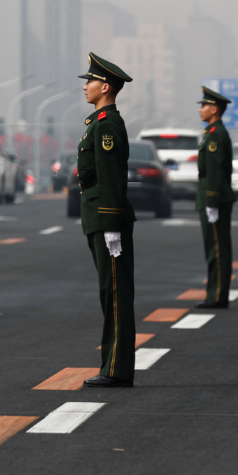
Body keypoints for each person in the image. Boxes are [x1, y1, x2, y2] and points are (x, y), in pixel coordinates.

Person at [77, 52, 136, 388]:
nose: (86, 86)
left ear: (106, 86)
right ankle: (113, 364)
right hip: (97, 215)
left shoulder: (107, 124)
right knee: (109, 292)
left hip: (106, 217)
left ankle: (116, 368)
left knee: (115, 293)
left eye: (90, 81)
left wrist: (112, 223)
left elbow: (112, 177)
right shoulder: (97, 123)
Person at [194, 87, 236, 309]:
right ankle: (214, 292)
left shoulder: (216, 134)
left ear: (214, 109)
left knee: (218, 248)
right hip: (211, 197)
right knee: (213, 247)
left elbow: (215, 170)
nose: (200, 110)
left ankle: (218, 294)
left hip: (215, 199)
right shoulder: (211, 132)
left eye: (203, 106)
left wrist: (211, 201)